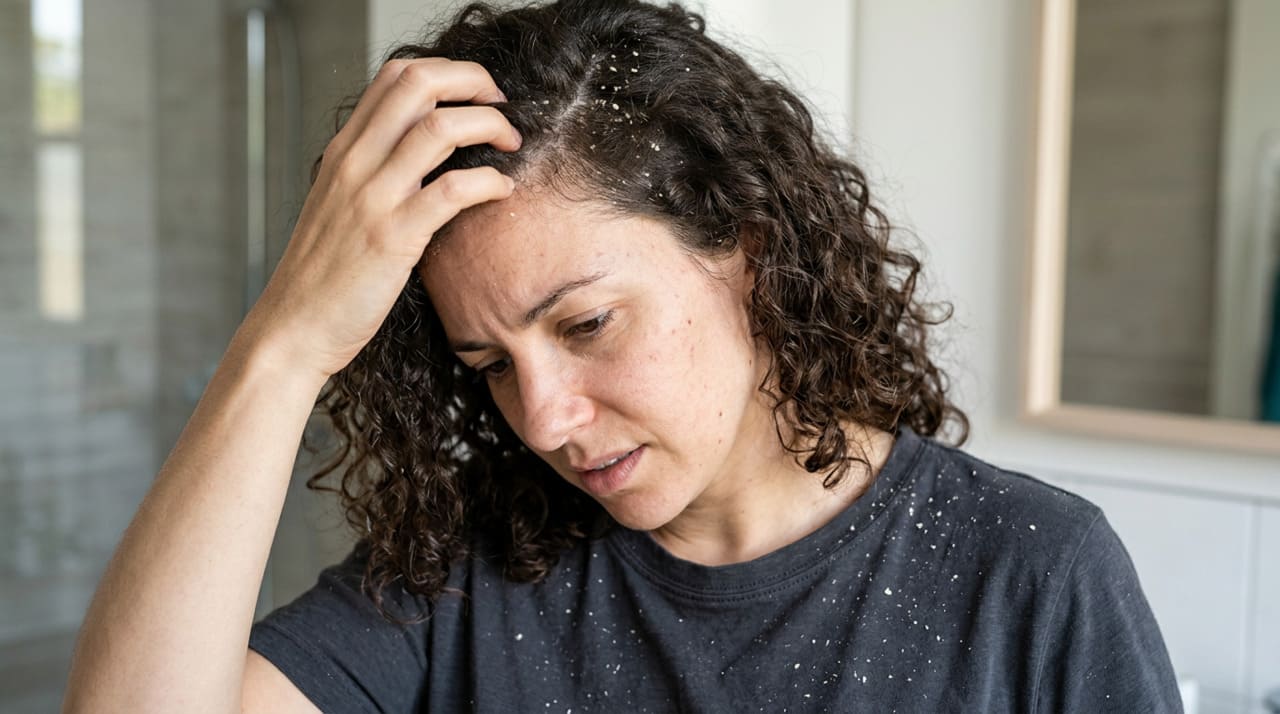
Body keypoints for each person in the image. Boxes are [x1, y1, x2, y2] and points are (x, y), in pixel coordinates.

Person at [63, 1, 1184, 711]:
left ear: (746, 248)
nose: (541, 417)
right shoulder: (470, 579)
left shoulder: (1026, 572)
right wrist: (285, 342)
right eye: (486, 362)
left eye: (585, 324)